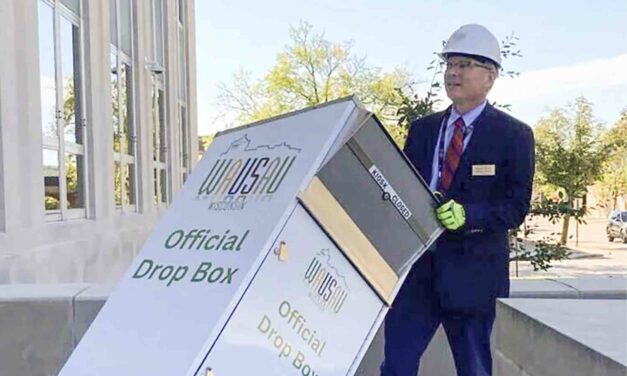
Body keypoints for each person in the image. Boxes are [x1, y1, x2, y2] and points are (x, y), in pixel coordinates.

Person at [380, 24, 535, 376]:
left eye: (465, 64)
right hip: (418, 274)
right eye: (449, 64)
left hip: (473, 277)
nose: (453, 72)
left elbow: (515, 207)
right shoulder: (422, 130)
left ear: (490, 76)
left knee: (474, 369)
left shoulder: (513, 135)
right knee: (397, 366)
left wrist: (469, 215)